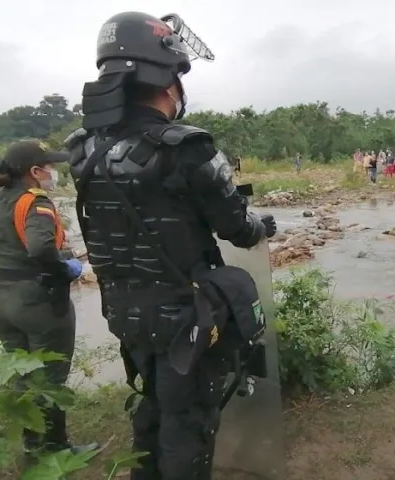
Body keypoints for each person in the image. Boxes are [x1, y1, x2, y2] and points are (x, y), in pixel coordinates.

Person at [66, 12, 277, 480]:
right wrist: (263, 225)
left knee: (153, 406)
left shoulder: (81, 149)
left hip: (124, 311)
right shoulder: (187, 147)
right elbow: (237, 229)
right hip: (186, 316)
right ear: (167, 83)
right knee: (189, 421)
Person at [0, 140, 97, 462]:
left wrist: (60, 255)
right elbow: (40, 248)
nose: (54, 173)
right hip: (39, 302)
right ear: (35, 172)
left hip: (2, 299)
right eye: (50, 167)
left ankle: (31, 444)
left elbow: (4, 244)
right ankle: (55, 448)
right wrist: (65, 267)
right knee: (51, 377)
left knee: (24, 374)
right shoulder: (36, 202)